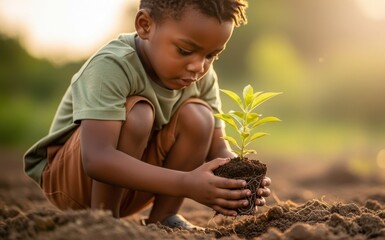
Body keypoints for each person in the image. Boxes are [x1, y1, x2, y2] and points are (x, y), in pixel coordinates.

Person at [23, 0, 271, 230]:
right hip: (71, 184)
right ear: (145, 25)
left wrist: (240, 181)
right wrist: (187, 184)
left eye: (211, 55)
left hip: (135, 185)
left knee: (200, 116)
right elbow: (97, 159)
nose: (199, 66)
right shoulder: (112, 65)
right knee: (138, 114)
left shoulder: (202, 76)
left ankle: (163, 218)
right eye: (185, 50)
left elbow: (217, 147)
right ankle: (103, 221)